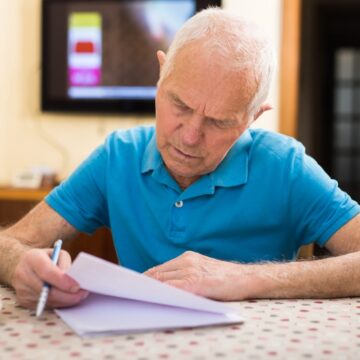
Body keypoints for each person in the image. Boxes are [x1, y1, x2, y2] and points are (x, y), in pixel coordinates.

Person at [1, 8, 360, 311]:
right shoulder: (118, 156)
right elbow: (11, 242)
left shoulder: (286, 167)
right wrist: (20, 264)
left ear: (252, 118)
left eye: (219, 121)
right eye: (180, 105)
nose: (189, 136)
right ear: (161, 75)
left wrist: (244, 278)